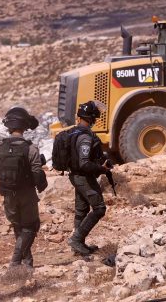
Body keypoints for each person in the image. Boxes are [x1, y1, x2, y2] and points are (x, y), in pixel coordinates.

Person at [0, 106, 47, 268]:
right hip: (27, 194)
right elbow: (37, 173)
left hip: (7, 194)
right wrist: (41, 186)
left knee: (18, 226)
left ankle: (27, 262)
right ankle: (16, 260)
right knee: (31, 226)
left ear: (9, 126)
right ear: (24, 126)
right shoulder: (30, 148)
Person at [67, 101, 112, 255]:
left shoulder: (74, 132)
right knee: (99, 209)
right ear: (91, 118)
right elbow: (84, 163)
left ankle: (78, 246)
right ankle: (76, 239)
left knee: (82, 210)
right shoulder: (85, 137)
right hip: (84, 177)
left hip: (76, 176)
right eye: (95, 118)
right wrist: (102, 168)